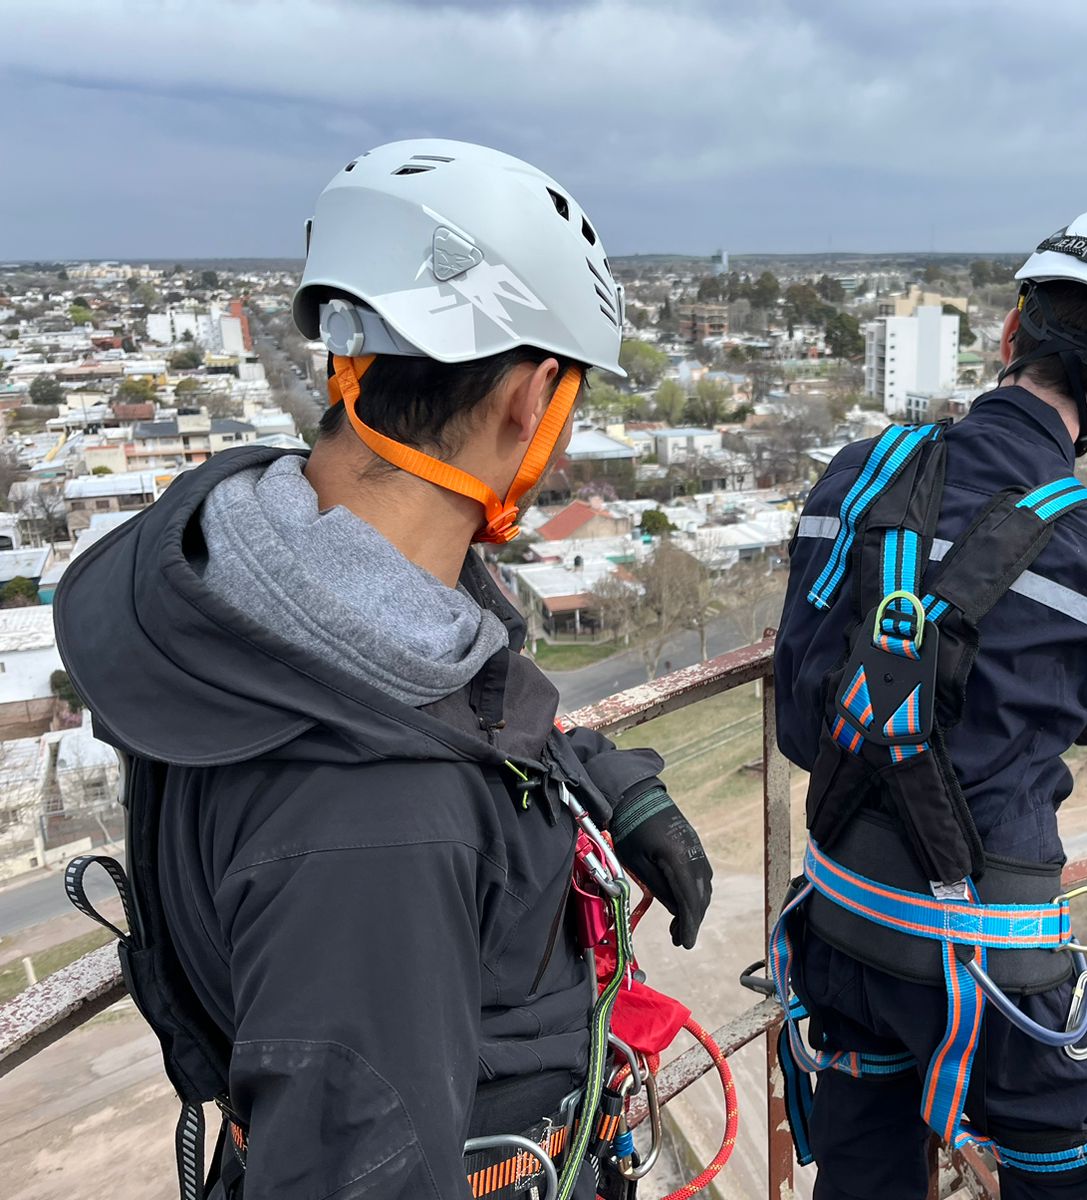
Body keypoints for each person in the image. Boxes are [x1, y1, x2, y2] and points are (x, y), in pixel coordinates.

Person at [55, 140, 712, 1200]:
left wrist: (588, 778)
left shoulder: (263, 582)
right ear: (529, 396)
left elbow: (425, 712)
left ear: (348, 354)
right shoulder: (377, 823)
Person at [768, 205, 1087, 1198]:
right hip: (1001, 984)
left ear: (1009, 335)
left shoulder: (849, 482)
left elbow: (803, 724)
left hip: (839, 935)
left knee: (861, 1176)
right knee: (1072, 1173)